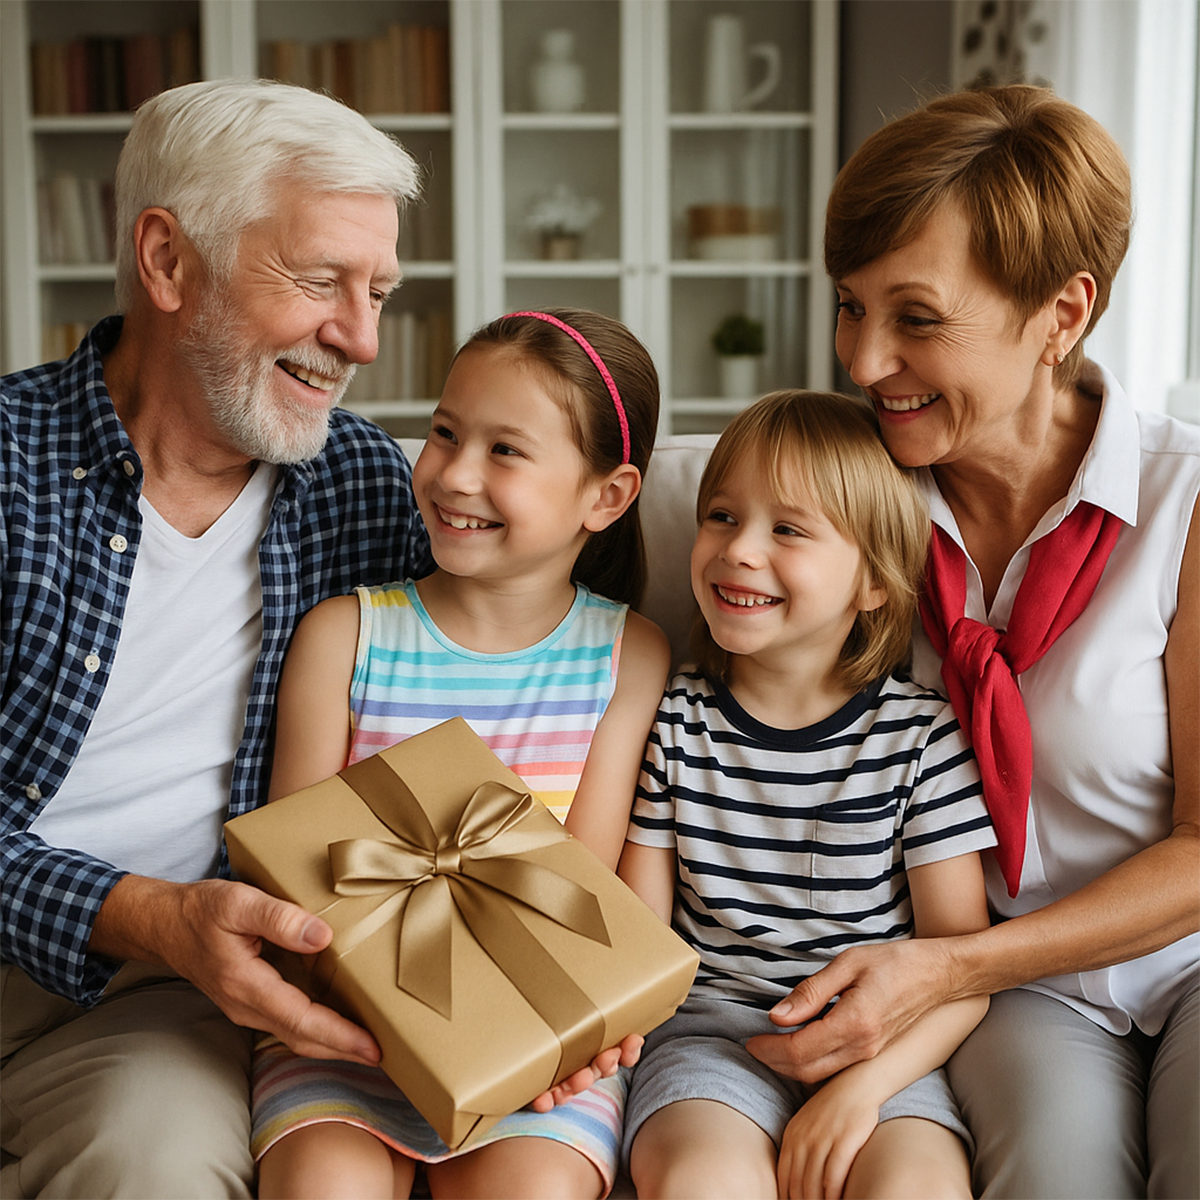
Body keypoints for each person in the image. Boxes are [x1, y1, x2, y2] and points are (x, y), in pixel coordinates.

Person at [746, 84, 1200, 1199]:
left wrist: (949, 966)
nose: (860, 362)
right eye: (850, 307)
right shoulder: (852, 505)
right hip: (1015, 993)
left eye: (916, 317)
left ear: (1063, 313)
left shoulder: (1186, 502)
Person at [0, 79, 438, 1199]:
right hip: (140, 925)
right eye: (320, 280)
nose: (361, 338)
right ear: (168, 261)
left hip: (153, 991)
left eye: (378, 291)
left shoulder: (368, 488)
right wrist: (140, 906)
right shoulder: (9, 466)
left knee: (158, 1163)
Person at [252, 308, 670, 1200]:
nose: (454, 474)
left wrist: (565, 1035)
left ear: (609, 496)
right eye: (445, 432)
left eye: (505, 451)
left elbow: (584, 892)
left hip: (529, 1039)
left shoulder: (628, 656)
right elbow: (290, 876)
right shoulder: (345, 635)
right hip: (342, 1029)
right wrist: (384, 1026)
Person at [617, 390, 996, 1200]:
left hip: (881, 1052)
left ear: (874, 585)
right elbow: (640, 943)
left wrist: (862, 1090)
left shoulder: (920, 738)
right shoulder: (674, 720)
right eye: (721, 516)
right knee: (701, 1183)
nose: (738, 550)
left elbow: (961, 971)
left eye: (788, 529)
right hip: (708, 1045)